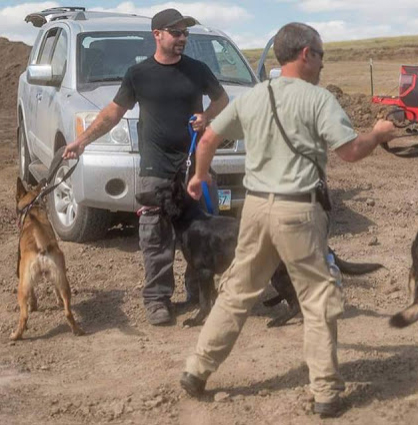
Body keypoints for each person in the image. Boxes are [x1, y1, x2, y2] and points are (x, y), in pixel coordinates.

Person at [179, 22, 395, 417]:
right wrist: (378, 134)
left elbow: (208, 138)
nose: (324, 63)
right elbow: (349, 152)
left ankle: (196, 369)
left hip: (256, 209)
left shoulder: (253, 97)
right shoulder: (318, 100)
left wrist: (198, 176)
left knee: (237, 293)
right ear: (305, 54)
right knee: (316, 298)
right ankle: (326, 392)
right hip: (299, 210)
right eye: (322, 54)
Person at [63, 8, 229, 326]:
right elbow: (113, 113)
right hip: (155, 168)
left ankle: (200, 293)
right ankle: (157, 300)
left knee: (204, 232)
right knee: (155, 236)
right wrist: (82, 141)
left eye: (185, 33)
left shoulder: (198, 69)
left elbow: (222, 100)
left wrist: (207, 117)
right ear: (157, 35)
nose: (183, 38)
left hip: (196, 167)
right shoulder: (138, 74)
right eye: (176, 32)